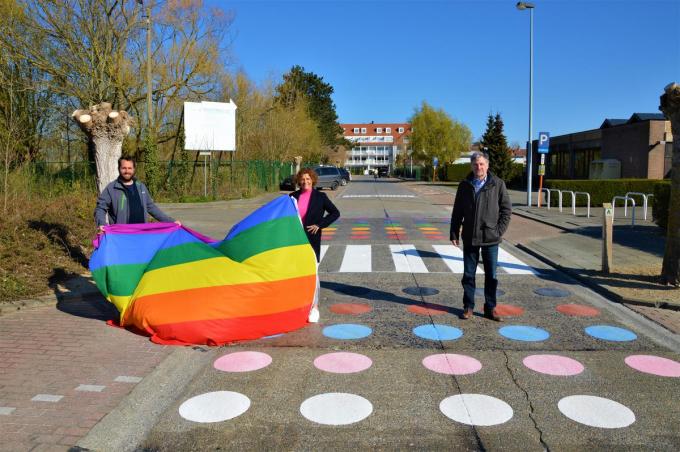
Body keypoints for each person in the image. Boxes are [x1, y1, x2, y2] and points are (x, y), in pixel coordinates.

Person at [450, 152, 512, 321]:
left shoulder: (497, 184)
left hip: (490, 239)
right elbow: (457, 212)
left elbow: (506, 210)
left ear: (487, 165)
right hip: (470, 237)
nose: (479, 167)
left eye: (482, 164)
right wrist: (454, 232)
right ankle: (468, 307)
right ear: (472, 166)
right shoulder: (464, 185)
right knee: (468, 275)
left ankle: (490, 308)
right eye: (476, 164)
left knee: (491, 276)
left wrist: (498, 231)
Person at [290, 168, 340, 323]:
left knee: (313, 274)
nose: (305, 182)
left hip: (312, 241)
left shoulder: (320, 197)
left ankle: (314, 307)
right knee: (297, 275)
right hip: (295, 242)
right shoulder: (292, 197)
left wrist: (320, 225)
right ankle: (300, 305)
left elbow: (335, 213)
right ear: (299, 181)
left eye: (308, 179)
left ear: (313, 180)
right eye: (303, 179)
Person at [95, 157, 180, 233]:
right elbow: (100, 208)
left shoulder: (141, 187)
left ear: (134, 169)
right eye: (124, 168)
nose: (127, 171)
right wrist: (101, 223)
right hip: (121, 235)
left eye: (129, 168)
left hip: (141, 233)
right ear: (119, 169)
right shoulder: (112, 188)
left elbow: (151, 207)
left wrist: (171, 222)